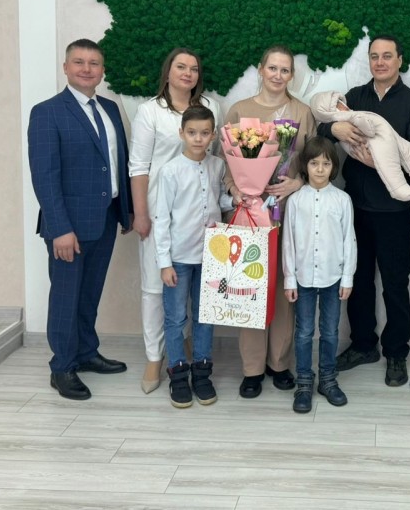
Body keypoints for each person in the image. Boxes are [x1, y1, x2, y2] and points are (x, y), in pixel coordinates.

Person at [321, 35, 410, 387]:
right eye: (374, 56)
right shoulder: (354, 98)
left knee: (396, 284)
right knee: (358, 281)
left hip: (394, 211)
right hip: (354, 206)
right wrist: (335, 127)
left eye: (387, 56)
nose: (380, 62)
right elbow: (322, 129)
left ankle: (396, 352)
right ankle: (363, 345)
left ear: (400, 60)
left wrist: (378, 161)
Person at [28, 39, 133, 401]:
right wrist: (60, 228)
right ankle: (62, 367)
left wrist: (126, 210)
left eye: (94, 63)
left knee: (89, 293)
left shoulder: (110, 108)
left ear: (102, 70)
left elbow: (118, 162)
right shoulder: (47, 112)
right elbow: (45, 176)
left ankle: (87, 352)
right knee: (66, 296)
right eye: (79, 62)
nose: (87, 69)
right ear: (66, 67)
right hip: (68, 226)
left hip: (105, 218)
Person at [223, 45, 315, 398]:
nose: (278, 75)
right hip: (249, 214)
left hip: (287, 214)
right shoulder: (239, 110)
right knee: (250, 286)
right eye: (272, 68)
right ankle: (252, 369)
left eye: (285, 70)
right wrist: (236, 191)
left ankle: (279, 362)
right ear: (260, 70)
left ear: (292, 75)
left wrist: (299, 182)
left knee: (283, 286)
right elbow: (224, 164)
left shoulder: (302, 112)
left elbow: (316, 160)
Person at [128, 48, 221, 394]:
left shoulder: (210, 107)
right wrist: (141, 213)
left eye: (193, 68)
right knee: (157, 288)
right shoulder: (150, 111)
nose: (187, 73)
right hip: (160, 211)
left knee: (196, 294)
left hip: (199, 216)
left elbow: (216, 162)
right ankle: (155, 357)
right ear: (168, 71)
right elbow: (139, 166)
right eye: (180, 66)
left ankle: (189, 354)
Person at [153, 105, 232, 408]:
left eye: (204, 133)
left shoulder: (217, 165)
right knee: (176, 318)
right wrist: (164, 263)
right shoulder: (170, 170)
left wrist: (237, 198)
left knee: (205, 315)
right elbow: (162, 218)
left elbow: (218, 200)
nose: (198, 138)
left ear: (213, 135)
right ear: (181, 133)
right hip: (179, 257)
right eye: (192, 132)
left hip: (211, 256)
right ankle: (177, 373)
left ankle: (202, 371)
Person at [282, 137, 357, 413]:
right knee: (303, 332)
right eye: (314, 163)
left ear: (333, 167)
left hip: (332, 278)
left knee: (330, 331)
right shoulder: (295, 201)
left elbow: (349, 241)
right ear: (305, 166)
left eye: (326, 164)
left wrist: (347, 277)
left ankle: (327, 379)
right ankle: (304, 382)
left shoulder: (342, 200)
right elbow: (288, 242)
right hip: (302, 278)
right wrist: (289, 279)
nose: (320, 169)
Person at [310, 90, 410, 201]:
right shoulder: (356, 95)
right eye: (338, 105)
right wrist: (334, 128)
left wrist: (376, 162)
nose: (343, 106)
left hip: (394, 207)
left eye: (340, 103)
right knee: (388, 163)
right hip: (356, 197)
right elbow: (320, 134)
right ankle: (398, 187)